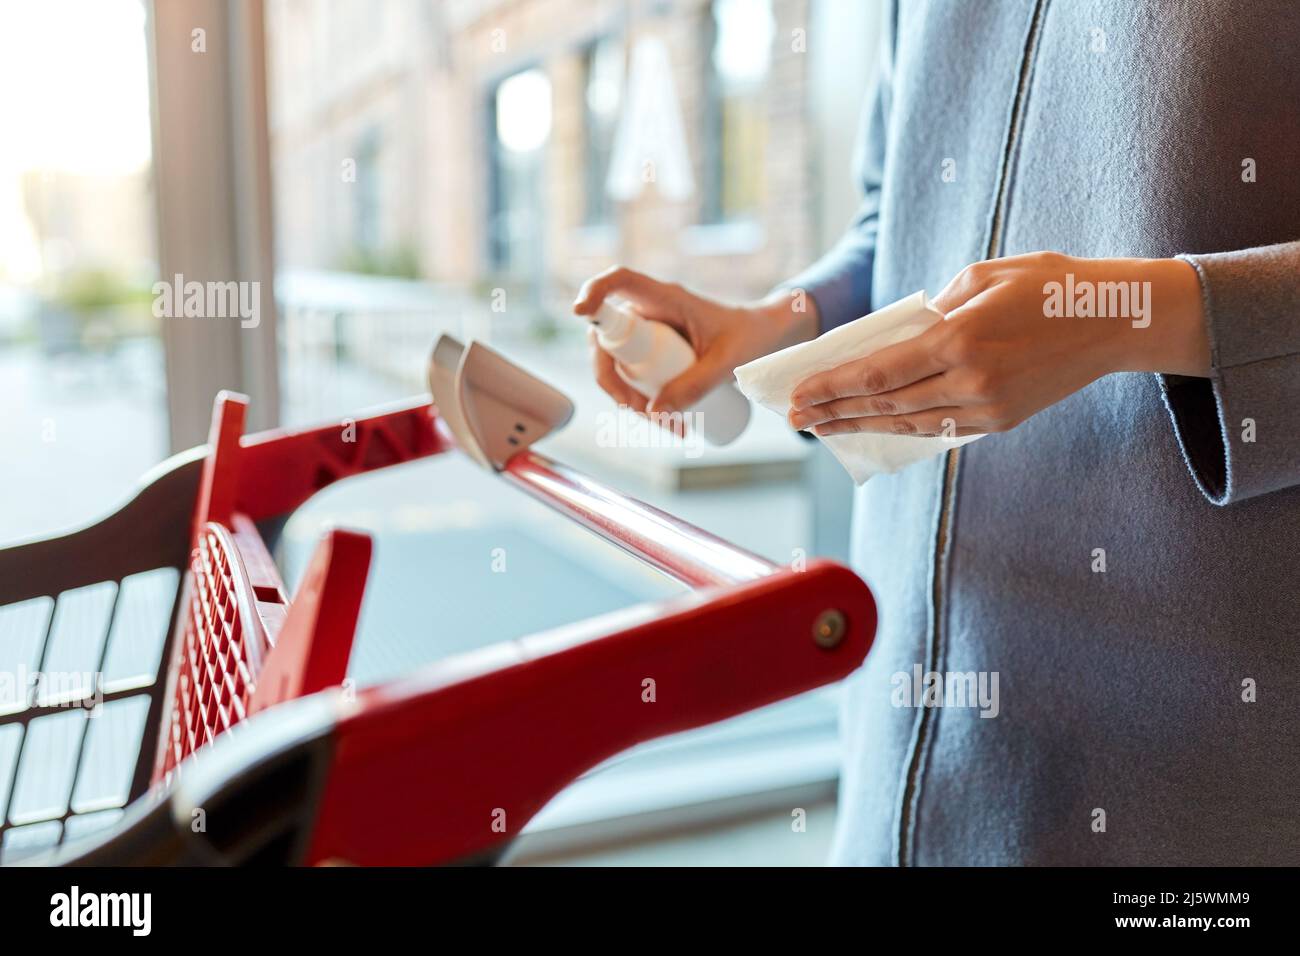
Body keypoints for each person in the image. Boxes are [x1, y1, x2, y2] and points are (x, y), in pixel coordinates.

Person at [573, 0, 1300, 865]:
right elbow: (897, 214)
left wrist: (1128, 316)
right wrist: (775, 324)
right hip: (905, 743)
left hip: (1193, 770)